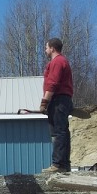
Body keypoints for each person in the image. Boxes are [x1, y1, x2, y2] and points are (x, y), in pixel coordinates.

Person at [40, 37, 74, 172]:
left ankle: (58, 164)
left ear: (52, 48)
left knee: (59, 133)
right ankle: (64, 165)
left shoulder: (57, 62)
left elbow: (52, 83)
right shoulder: (62, 61)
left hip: (58, 100)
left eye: (46, 47)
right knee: (62, 132)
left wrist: (44, 102)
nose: (45, 50)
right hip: (63, 100)